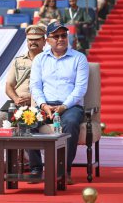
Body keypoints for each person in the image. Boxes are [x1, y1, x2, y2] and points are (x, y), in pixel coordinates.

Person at [29, 21, 89, 185]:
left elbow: (80, 88)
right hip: (45, 105)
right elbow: (35, 86)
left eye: (63, 35)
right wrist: (43, 105)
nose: (61, 39)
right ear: (47, 40)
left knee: (70, 123)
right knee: (26, 124)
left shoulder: (79, 58)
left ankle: (64, 171)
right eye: (56, 36)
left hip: (70, 105)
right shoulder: (40, 59)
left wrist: (63, 107)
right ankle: (35, 169)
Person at [0, 25, 46, 128]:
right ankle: (9, 144)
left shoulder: (49, 60)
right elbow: (9, 85)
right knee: (0, 118)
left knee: (33, 125)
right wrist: (16, 98)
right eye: (30, 40)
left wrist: (33, 98)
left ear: (44, 41)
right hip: (19, 103)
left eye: (37, 39)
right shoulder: (18, 61)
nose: (33, 42)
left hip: (39, 103)